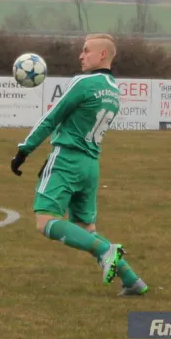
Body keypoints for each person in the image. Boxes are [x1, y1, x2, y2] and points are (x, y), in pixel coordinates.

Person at [10, 34, 147, 296]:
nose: (81, 56)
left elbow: (52, 117)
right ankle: (131, 279)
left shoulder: (84, 83)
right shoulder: (113, 90)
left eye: (86, 51)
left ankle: (106, 250)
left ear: (102, 55)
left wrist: (24, 150)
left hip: (68, 159)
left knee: (45, 221)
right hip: (90, 164)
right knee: (86, 229)